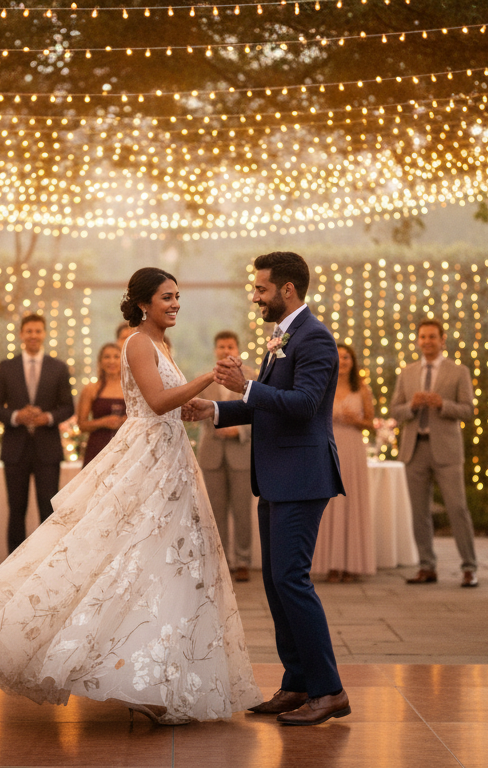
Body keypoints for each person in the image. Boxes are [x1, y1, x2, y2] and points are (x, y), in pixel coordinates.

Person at [0, 267, 259, 725]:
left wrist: (194, 404)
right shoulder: (138, 342)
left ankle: (155, 676)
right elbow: (155, 401)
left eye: (178, 296)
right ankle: (111, 667)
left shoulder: (162, 344)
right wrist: (207, 378)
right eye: (168, 297)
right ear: (144, 303)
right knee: (123, 557)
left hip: (171, 460)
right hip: (146, 459)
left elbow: (168, 405)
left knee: (164, 565)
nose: (176, 304)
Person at [191, 250, 351, 727]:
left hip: (303, 477)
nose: (255, 296)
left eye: (261, 289)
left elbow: (302, 405)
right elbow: (267, 403)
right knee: (275, 583)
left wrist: (246, 386)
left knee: (292, 581)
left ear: (287, 290)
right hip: (278, 477)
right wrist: (214, 410)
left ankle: (330, 690)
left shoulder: (317, 338)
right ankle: (298, 683)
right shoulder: (284, 335)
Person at [390, 318, 479, 587]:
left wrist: (444, 404)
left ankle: (469, 567)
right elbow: (395, 411)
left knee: (457, 508)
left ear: (442, 340)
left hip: (447, 451)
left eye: (432, 337)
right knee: (419, 512)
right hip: (414, 449)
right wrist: (412, 406)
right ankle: (427, 566)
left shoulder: (458, 371)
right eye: (423, 337)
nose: (427, 341)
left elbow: (468, 410)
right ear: (418, 341)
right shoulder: (408, 372)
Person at [0, 314, 75, 553]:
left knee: (48, 509)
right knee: (16, 509)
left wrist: (48, 417)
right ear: (21, 335)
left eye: (38, 331)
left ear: (44, 334)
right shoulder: (7, 367)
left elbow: (68, 406)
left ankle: (47, 562)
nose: (33, 335)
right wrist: (16, 416)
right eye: (29, 331)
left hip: (48, 449)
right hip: (15, 449)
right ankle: (12, 566)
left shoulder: (58, 367)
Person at [196, 331, 255, 583]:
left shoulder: (252, 376)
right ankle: (221, 561)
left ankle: (243, 561)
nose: (225, 350)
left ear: (237, 349)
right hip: (211, 453)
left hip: (241, 452)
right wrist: (219, 425)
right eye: (221, 346)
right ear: (215, 350)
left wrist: (239, 430)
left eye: (229, 346)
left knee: (242, 511)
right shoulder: (206, 378)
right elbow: (196, 408)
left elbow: (260, 412)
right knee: (215, 511)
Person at [313, 343, 375, 583]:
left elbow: (372, 423)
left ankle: (351, 565)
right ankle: (331, 564)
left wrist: (356, 420)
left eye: (347, 357)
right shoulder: (322, 386)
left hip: (352, 448)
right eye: (339, 357)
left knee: (351, 503)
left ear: (353, 361)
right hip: (328, 447)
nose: (343, 361)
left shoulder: (362, 390)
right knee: (329, 505)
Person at [77, 343, 126, 466]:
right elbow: (82, 425)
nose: (112, 361)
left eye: (116, 357)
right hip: (98, 447)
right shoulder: (91, 389)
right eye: (107, 357)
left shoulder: (131, 389)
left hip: (125, 448)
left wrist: (127, 420)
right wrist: (103, 422)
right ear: (100, 361)